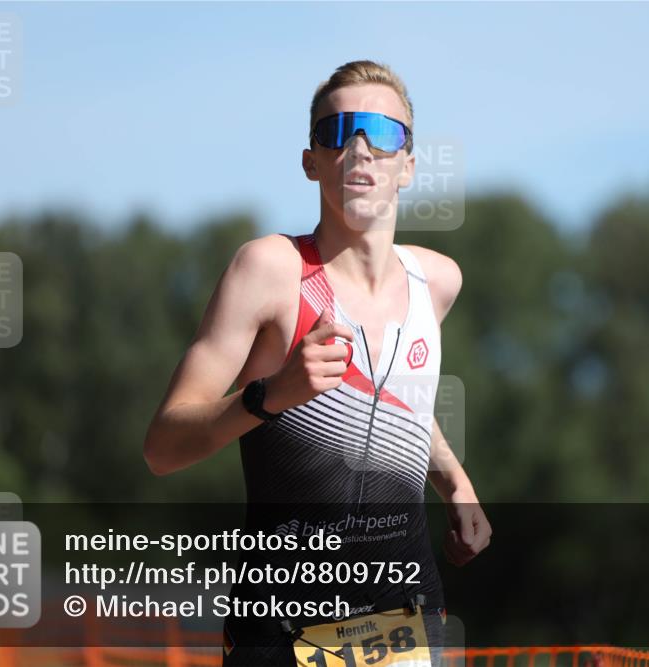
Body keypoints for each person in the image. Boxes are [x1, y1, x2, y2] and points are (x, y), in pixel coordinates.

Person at [144, 59, 491, 666]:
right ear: (310, 162)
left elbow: (398, 400)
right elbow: (163, 448)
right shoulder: (268, 270)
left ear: (408, 165)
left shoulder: (436, 281)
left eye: (381, 133)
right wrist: (270, 395)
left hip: (406, 618)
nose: (360, 148)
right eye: (338, 132)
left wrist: (456, 482)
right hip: (282, 628)